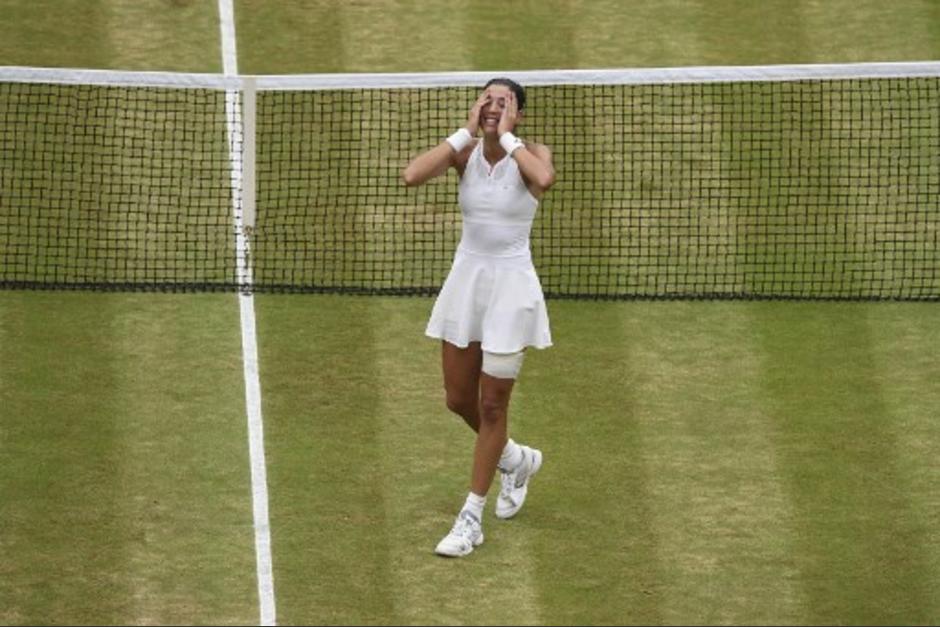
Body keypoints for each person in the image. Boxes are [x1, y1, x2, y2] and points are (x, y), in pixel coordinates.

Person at [402, 78, 556, 557]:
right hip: (466, 285)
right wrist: (463, 134)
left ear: (519, 115)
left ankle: (471, 518)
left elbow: (544, 180)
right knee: (457, 398)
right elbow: (411, 175)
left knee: (492, 407)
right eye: (486, 99)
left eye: (504, 102)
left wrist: (507, 139)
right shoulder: (464, 154)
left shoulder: (535, 154)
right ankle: (515, 459)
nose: (493, 107)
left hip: (511, 291)